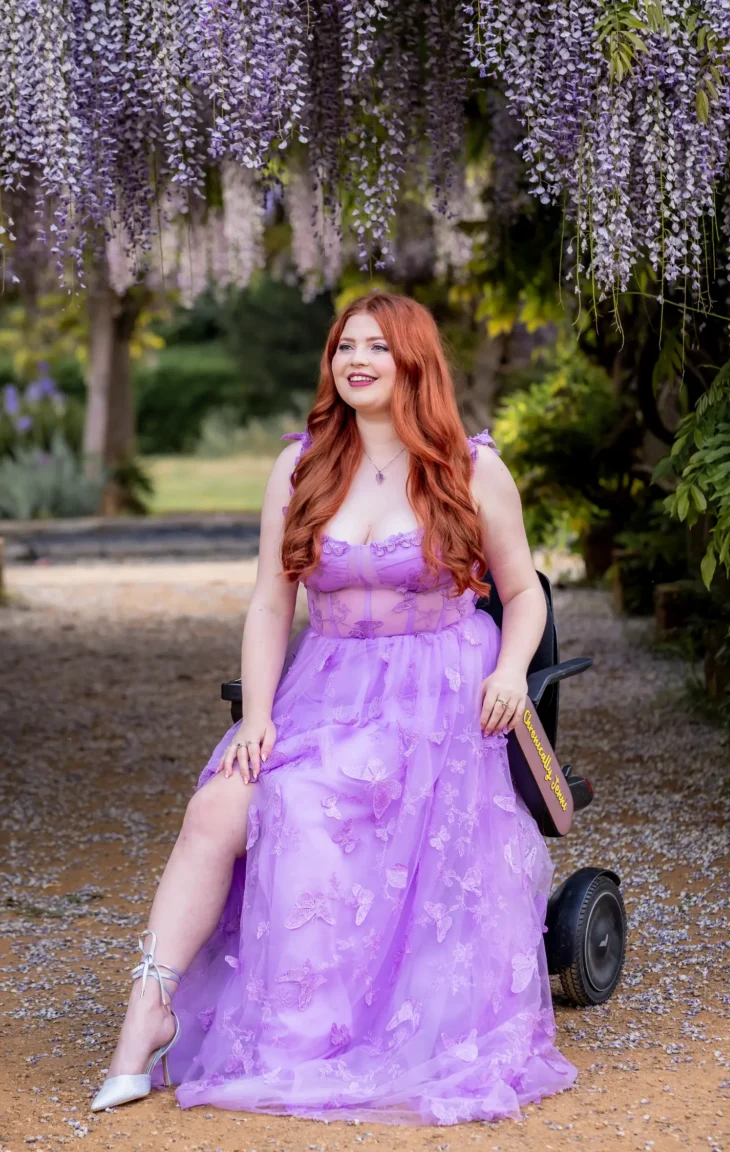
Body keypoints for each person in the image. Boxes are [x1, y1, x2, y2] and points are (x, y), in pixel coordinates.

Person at [90, 291, 577, 1125]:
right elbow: (270, 604)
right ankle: (148, 1012)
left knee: (304, 806)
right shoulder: (303, 463)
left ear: (413, 361)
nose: (356, 360)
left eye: (377, 348)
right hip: (327, 685)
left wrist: (509, 670)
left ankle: (316, 1030)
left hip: (434, 699)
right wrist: (257, 717)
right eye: (345, 345)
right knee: (218, 808)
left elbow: (525, 592)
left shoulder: (470, 465)